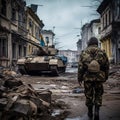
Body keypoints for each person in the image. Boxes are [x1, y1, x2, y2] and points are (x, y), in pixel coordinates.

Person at [78, 37, 109, 120]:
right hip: (99, 78)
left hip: (87, 78)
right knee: (98, 94)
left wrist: (79, 78)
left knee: (88, 94)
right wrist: (106, 76)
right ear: (96, 43)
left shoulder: (84, 52)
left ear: (89, 43)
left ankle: (90, 111)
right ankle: (97, 111)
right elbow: (106, 65)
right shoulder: (102, 52)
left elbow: (80, 67)